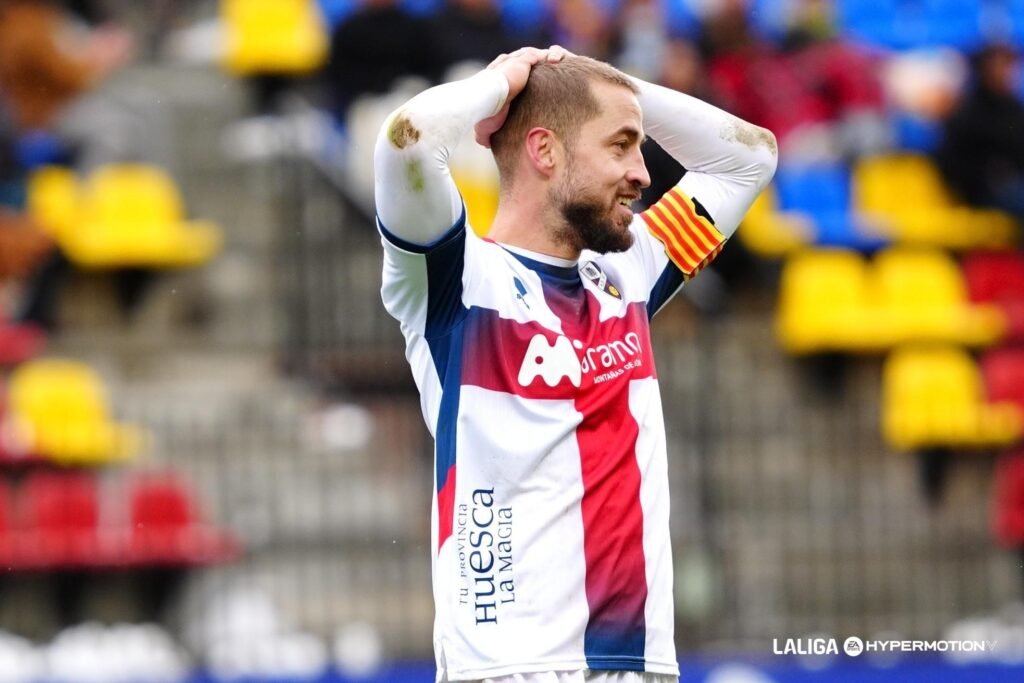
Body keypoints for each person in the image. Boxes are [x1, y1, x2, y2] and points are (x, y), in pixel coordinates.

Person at [373, 46, 776, 682]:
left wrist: (596, 79)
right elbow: (407, 141)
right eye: (621, 146)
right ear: (545, 151)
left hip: (638, 664)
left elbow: (750, 156)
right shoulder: (457, 280)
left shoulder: (630, 271)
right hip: (512, 667)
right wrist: (504, 81)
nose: (643, 173)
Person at [933, 42, 1024, 219]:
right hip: (980, 192)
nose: (1006, 73)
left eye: (1009, 66)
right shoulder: (966, 111)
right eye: (999, 66)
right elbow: (952, 162)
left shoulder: (1014, 108)